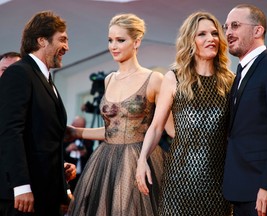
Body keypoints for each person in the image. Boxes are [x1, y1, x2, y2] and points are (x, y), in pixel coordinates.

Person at [67, 13, 173, 216]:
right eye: (110, 40)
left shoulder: (154, 79)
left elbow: (169, 128)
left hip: (141, 160)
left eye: (120, 40)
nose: (113, 46)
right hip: (106, 162)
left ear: (137, 41)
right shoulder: (109, 80)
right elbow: (112, 131)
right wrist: (75, 132)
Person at [136, 11, 234, 215]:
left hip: (218, 179)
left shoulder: (229, 81)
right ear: (191, 41)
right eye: (202, 34)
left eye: (214, 33)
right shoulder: (174, 78)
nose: (211, 39)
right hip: (179, 179)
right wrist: (142, 160)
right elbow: (156, 127)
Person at [0, 11, 76, 216]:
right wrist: (21, 185)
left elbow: (41, 137)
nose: (66, 47)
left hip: (46, 193)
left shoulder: (46, 80)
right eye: (62, 40)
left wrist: (61, 179)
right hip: (24, 196)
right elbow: (10, 132)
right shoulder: (19, 73)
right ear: (42, 40)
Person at [222, 4, 267, 216]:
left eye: (235, 25)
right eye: (226, 27)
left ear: (258, 30)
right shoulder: (240, 73)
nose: (228, 33)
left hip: (262, 191)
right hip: (240, 186)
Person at [63, 116, 94, 193]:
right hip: (66, 175)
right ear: (72, 125)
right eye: (76, 126)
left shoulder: (88, 140)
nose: (77, 129)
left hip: (81, 176)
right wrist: (67, 149)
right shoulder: (63, 137)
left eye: (81, 127)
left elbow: (91, 156)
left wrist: (85, 153)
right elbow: (57, 154)